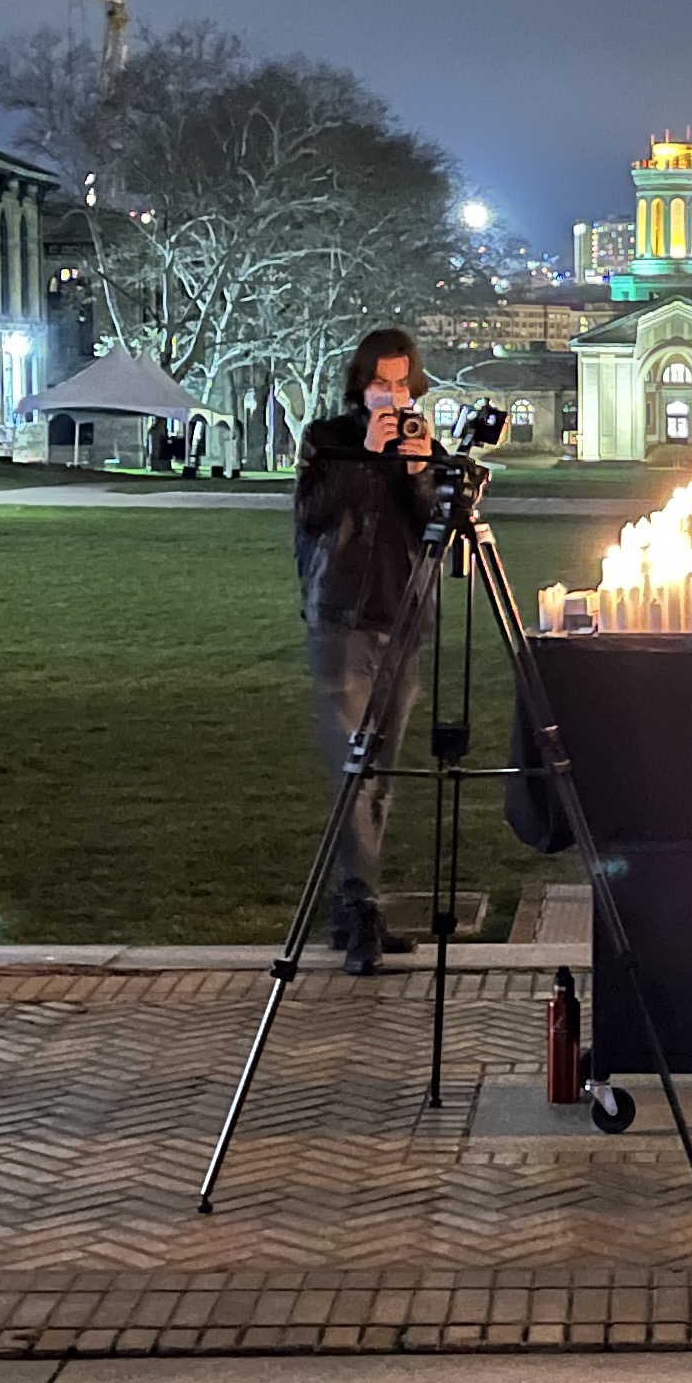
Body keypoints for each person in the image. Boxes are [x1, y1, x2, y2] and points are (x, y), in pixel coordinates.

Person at [293, 326, 435, 976]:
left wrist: (415, 470)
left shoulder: (417, 443)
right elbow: (314, 516)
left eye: (401, 383)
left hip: (401, 617)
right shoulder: (329, 442)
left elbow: (441, 527)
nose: (390, 395)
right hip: (341, 619)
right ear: (360, 382)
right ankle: (359, 910)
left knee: (382, 777)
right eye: (380, 382)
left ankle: (352, 908)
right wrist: (370, 457)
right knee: (353, 773)